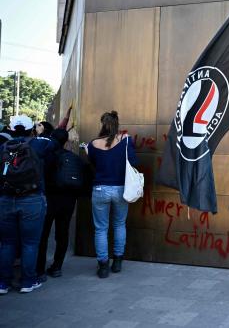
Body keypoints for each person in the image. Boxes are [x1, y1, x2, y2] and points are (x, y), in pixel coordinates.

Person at [0, 115, 56, 294]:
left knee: (7, 243)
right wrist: (40, 133)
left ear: (12, 129)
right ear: (30, 129)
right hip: (32, 198)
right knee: (30, 243)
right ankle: (27, 281)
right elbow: (55, 143)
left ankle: (3, 283)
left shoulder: (3, 146)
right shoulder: (38, 144)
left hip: (6, 198)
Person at [86, 111, 137, 278]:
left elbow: (93, 163)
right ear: (117, 124)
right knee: (119, 224)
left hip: (100, 189)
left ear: (102, 124)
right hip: (121, 189)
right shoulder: (126, 140)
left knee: (101, 228)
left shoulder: (93, 144)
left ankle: (102, 266)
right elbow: (134, 162)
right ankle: (117, 262)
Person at [36, 128, 84, 280]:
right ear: (65, 141)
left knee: (43, 235)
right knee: (62, 234)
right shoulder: (74, 158)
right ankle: (57, 267)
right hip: (68, 201)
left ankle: (39, 270)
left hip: (50, 200)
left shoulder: (47, 157)